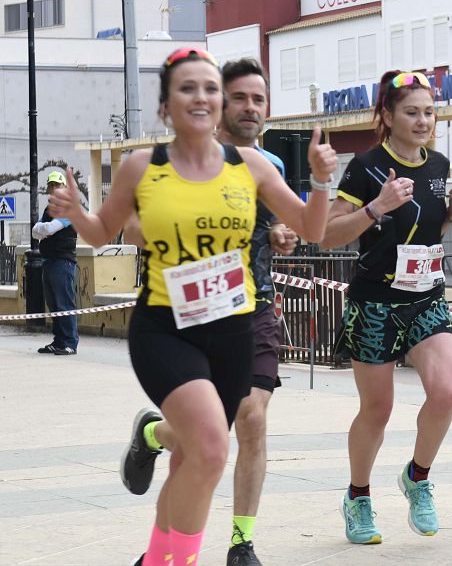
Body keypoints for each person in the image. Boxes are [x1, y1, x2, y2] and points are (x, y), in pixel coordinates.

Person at [47, 47, 337, 566]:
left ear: (218, 102)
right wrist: (76, 212)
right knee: (210, 449)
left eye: (209, 88)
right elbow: (103, 232)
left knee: (192, 458)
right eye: (187, 88)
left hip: (233, 330)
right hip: (166, 328)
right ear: (166, 105)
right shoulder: (142, 167)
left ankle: (155, 560)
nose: (201, 97)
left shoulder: (252, 166)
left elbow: (313, 229)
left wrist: (318, 181)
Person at [117, 58, 297, 566]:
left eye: (258, 100)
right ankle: (154, 439)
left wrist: (280, 231)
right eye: (238, 98)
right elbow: (132, 226)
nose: (249, 108)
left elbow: (281, 221)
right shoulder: (171, 165)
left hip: (254, 307)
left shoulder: (267, 166)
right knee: (205, 439)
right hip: (187, 314)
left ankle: (242, 542)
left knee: (251, 418)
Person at [320, 70, 452, 545]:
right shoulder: (366, 167)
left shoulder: (439, 164)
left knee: (446, 393)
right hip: (376, 304)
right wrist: (375, 207)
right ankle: (358, 496)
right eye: (411, 112)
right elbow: (327, 236)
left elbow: (428, 231)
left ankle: (417, 478)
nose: (423, 121)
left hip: (426, 297)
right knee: (377, 410)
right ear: (387, 115)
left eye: (429, 112)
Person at [33, 170, 81, 355]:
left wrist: (42, 229)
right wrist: (43, 229)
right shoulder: (49, 210)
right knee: (53, 304)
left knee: (65, 303)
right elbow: (34, 232)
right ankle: (59, 341)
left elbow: (50, 229)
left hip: (63, 262)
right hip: (49, 261)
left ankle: (70, 343)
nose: (54, 188)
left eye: (57, 185)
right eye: (51, 185)